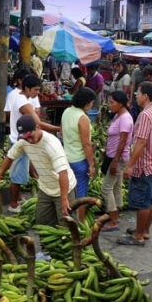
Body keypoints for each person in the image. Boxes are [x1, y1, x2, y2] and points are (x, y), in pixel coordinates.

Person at [0, 114, 77, 227]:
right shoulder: (25, 141)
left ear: (38, 127)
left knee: (66, 226)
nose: (29, 140)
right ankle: (46, 245)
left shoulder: (52, 145)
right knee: (42, 223)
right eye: (25, 138)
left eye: (30, 136)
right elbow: (9, 157)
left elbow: (63, 173)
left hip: (64, 189)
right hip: (45, 189)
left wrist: (64, 199)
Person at [117, 81, 152, 246]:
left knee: (142, 202)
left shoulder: (145, 115)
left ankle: (138, 236)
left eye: (138, 93)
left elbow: (141, 143)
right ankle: (145, 230)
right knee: (150, 200)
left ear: (145, 96)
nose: (136, 97)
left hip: (145, 165)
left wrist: (130, 166)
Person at [4, 74, 60, 213]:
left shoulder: (21, 98)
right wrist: (58, 129)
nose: (37, 93)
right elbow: (38, 123)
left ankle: (17, 199)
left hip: (19, 139)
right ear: (27, 88)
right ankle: (13, 204)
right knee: (17, 175)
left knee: (19, 172)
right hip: (20, 141)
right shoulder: (23, 103)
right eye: (35, 89)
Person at [61, 87, 96, 222]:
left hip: (66, 159)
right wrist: (91, 165)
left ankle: (66, 221)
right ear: (87, 102)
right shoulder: (83, 118)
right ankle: (79, 225)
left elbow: (63, 132)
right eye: (92, 102)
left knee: (67, 192)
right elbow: (86, 144)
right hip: (79, 161)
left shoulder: (66, 111)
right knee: (80, 196)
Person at [100, 91, 133, 232]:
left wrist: (115, 161)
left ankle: (113, 221)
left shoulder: (125, 118)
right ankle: (114, 216)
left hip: (118, 158)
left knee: (106, 188)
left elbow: (123, 141)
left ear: (120, 103)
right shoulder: (118, 115)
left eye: (112, 102)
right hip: (113, 156)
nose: (110, 105)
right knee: (116, 188)